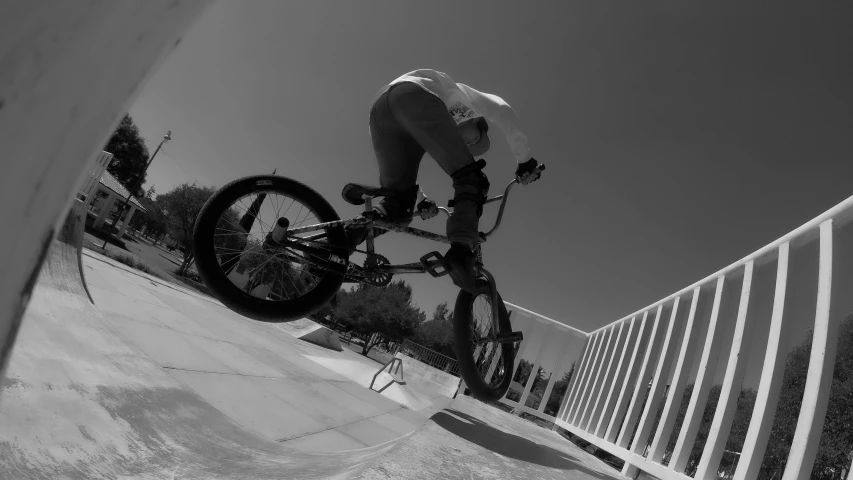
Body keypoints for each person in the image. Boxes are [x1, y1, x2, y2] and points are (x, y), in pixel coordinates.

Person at [349, 69, 542, 293]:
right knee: (473, 179)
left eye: (471, 144)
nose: (469, 142)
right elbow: (502, 109)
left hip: (380, 114)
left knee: (398, 207)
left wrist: (421, 200)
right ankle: (461, 251)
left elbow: (407, 169)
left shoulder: (431, 128)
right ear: (478, 122)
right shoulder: (464, 98)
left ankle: (338, 243)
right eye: (476, 137)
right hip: (412, 93)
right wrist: (525, 160)